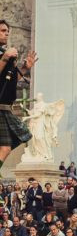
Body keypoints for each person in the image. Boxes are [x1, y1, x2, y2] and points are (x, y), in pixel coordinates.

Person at [0, 20, 37, 172]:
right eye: (2, 30)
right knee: (5, 147)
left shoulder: (4, 54)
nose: (6, 33)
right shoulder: (4, 55)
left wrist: (25, 68)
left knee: (11, 143)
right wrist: (4, 58)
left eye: (7, 31)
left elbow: (11, 81)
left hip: (6, 108)